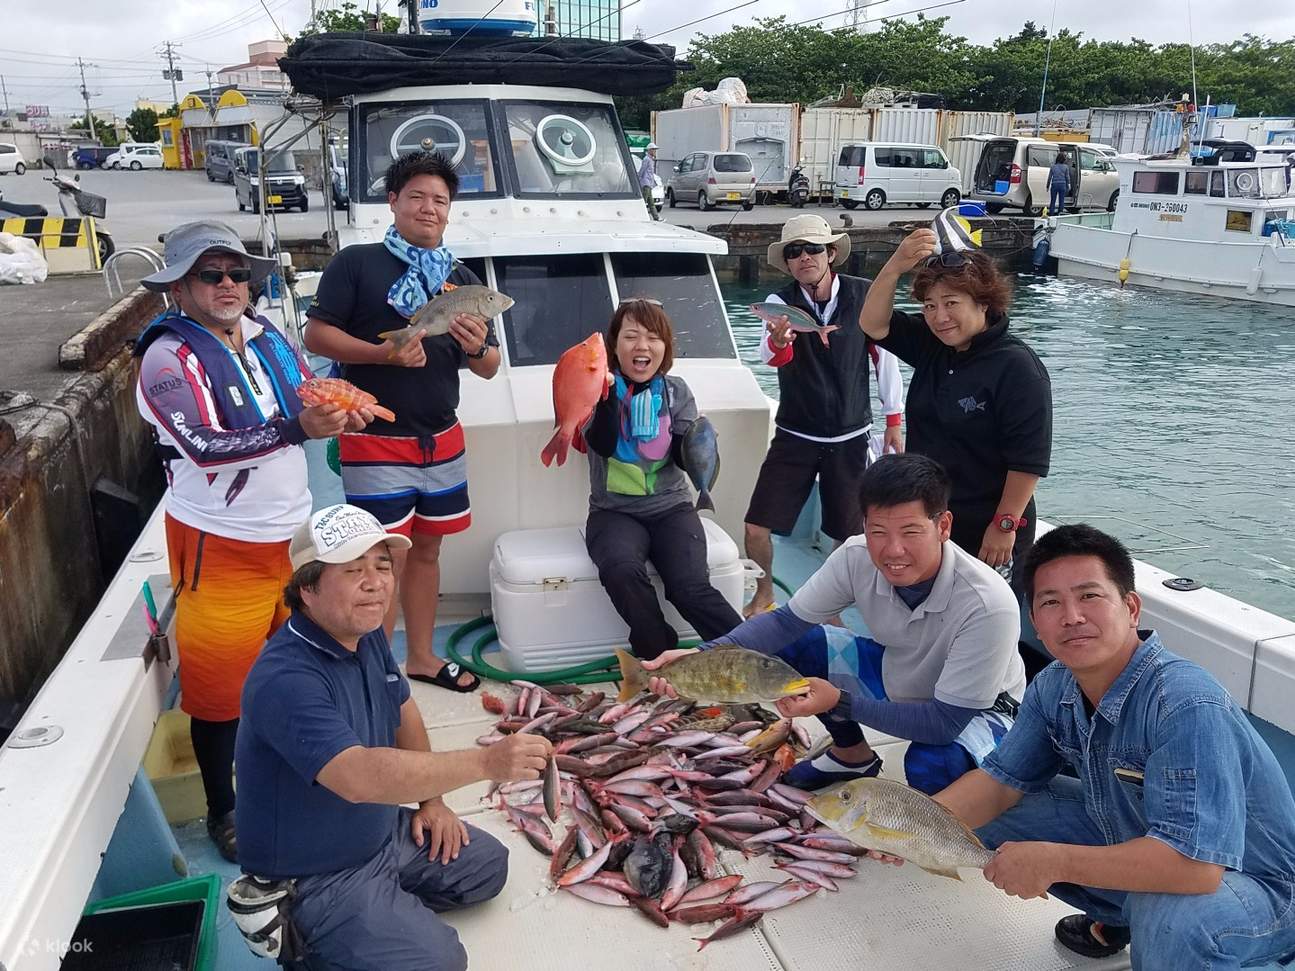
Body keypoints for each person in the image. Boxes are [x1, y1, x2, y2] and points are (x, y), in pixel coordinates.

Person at [909, 524, 1295, 969]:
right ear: (1035, 621)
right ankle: (1122, 915)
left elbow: (1195, 869)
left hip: (1258, 884)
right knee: (1001, 817)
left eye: (1089, 596)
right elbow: (999, 785)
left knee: (1173, 918)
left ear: (1131, 607)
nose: (1071, 616)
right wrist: (904, 826)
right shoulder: (1055, 686)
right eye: (1051, 602)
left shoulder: (1184, 703)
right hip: (1148, 842)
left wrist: (1053, 861)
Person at [134, 221, 371, 862]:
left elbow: (305, 389)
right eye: (210, 275)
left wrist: (345, 403)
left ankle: (300, 773)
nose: (228, 285)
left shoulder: (267, 335)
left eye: (237, 272)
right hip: (220, 544)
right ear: (180, 287)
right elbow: (203, 447)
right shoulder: (165, 359)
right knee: (217, 693)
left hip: (293, 538)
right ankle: (225, 810)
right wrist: (300, 428)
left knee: (294, 662)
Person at [234, 504, 552, 971]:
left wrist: (433, 803)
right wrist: (487, 763)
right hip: (316, 872)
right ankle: (310, 935)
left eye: (383, 566)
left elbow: (402, 710)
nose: (376, 582)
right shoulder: (286, 678)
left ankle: (378, 912)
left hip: (379, 833)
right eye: (353, 570)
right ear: (306, 587)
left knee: (488, 867)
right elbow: (358, 777)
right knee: (440, 961)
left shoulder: (364, 635)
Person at [648, 453, 1025, 793]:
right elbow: (784, 624)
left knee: (934, 765)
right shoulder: (855, 556)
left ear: (943, 526)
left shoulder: (987, 604)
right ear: (864, 524)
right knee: (791, 646)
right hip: (899, 671)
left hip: (978, 709)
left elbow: (944, 723)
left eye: (910, 532)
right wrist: (701, 654)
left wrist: (842, 702)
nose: (893, 550)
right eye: (879, 531)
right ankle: (852, 755)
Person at [304, 150, 502, 693]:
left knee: (429, 551)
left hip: (442, 439)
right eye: (416, 196)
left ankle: (419, 657)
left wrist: (478, 344)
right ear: (392, 201)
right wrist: (382, 355)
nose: (428, 208)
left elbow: (489, 367)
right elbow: (316, 337)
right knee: (380, 558)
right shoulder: (357, 263)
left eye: (440, 200)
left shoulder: (460, 279)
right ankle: (375, 669)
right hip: (375, 438)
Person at [858, 229, 1052, 590]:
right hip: (931, 520)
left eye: (951, 303)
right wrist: (895, 266)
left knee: (981, 626)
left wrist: (1004, 526)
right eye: (930, 305)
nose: (939, 316)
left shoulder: (1018, 368)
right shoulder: (935, 346)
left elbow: (1028, 461)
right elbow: (873, 324)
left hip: (987, 527)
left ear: (983, 303)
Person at [744, 213, 905, 617]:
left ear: (831, 253)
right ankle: (763, 593)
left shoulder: (866, 295)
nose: (804, 257)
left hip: (851, 436)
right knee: (755, 526)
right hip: (795, 432)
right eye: (794, 252)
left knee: (846, 536)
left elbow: (885, 360)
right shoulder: (780, 304)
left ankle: (830, 608)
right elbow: (769, 355)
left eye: (813, 248)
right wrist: (780, 341)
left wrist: (893, 420)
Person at [583, 299, 743, 660]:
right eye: (632, 336)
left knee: (689, 588)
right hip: (614, 512)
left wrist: (699, 441)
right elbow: (602, 443)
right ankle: (657, 652)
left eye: (653, 337)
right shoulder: (594, 387)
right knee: (622, 571)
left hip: (672, 508)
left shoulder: (676, 392)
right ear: (614, 345)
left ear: (665, 347)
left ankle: (748, 653)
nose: (643, 346)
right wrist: (608, 399)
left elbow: (684, 460)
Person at [638, 143, 661, 221]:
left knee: (651, 202)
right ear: (650, 150)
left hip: (649, 183)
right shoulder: (646, 159)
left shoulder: (651, 159)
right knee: (643, 202)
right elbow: (642, 170)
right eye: (654, 150)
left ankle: (656, 217)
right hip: (645, 183)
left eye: (655, 150)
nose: (655, 151)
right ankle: (640, 217)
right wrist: (638, 179)